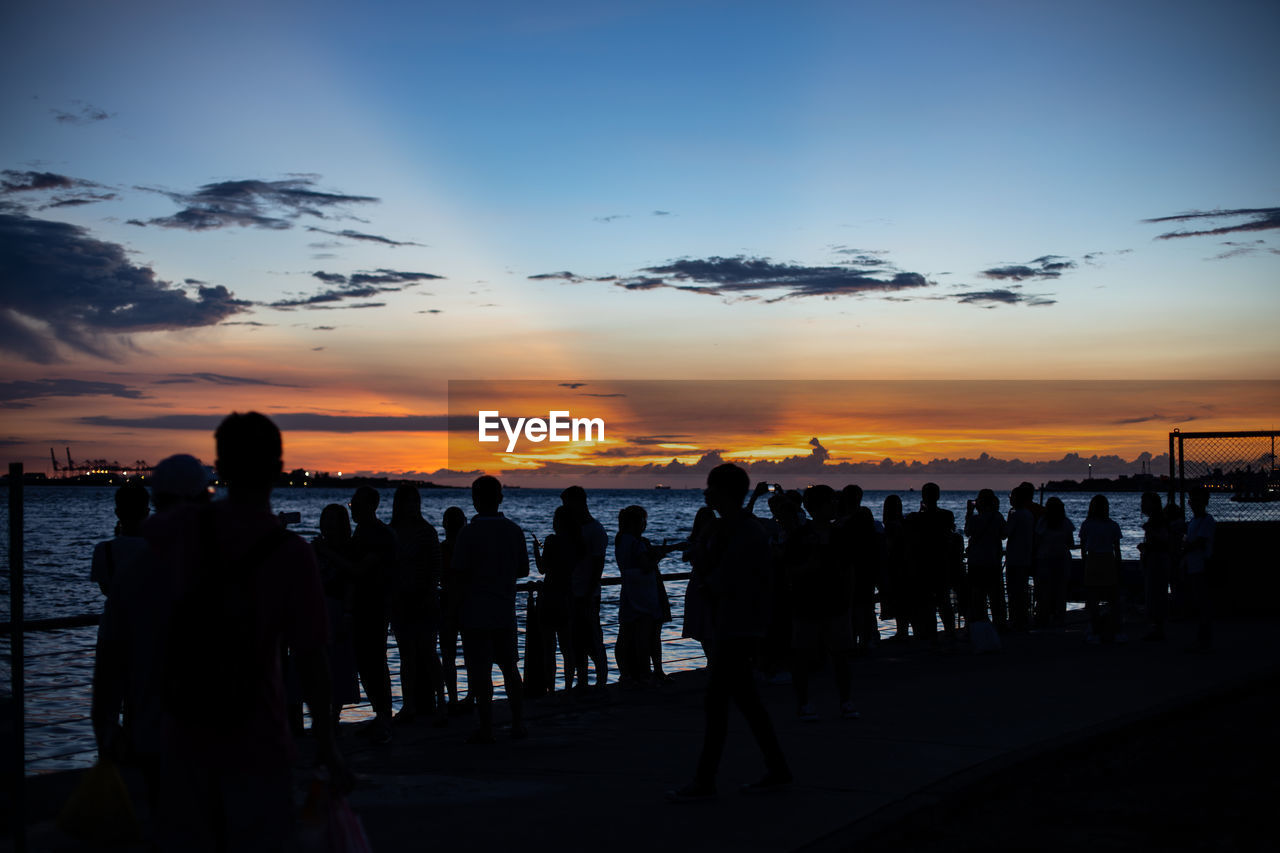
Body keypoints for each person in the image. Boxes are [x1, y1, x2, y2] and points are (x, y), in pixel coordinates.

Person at [142, 413, 343, 850]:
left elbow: (149, 544)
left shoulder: (178, 529)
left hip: (182, 732)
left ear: (221, 467)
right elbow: (311, 657)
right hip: (259, 738)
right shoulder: (292, 554)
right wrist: (327, 742)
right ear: (278, 469)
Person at [91, 455, 209, 814]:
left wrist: (106, 731)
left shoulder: (126, 569)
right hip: (220, 728)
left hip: (153, 724)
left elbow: (109, 663)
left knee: (164, 813)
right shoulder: (225, 566)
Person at [668, 463, 790, 802]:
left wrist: (704, 561)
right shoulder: (733, 529)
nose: (706, 493)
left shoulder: (741, 533)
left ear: (724, 492)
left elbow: (726, 581)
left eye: (711, 487)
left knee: (718, 704)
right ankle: (777, 768)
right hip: (736, 624)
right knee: (747, 704)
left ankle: (705, 780)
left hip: (737, 627)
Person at [454, 475, 529, 743]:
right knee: (510, 669)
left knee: (481, 673)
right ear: (500, 498)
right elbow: (523, 569)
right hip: (504, 609)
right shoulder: (514, 530)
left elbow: (458, 574)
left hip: (475, 612)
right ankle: (518, 723)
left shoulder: (467, 533)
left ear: (475, 500)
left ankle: (486, 727)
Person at [789, 485, 858, 721]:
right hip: (807, 604)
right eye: (831, 502)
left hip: (835, 604)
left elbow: (849, 570)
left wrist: (849, 599)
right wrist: (808, 567)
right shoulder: (799, 536)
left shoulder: (841, 535)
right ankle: (805, 703)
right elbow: (788, 571)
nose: (835, 506)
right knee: (802, 656)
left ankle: (846, 701)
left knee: (840, 656)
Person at [389, 484, 446, 723]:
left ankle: (441, 701)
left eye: (414, 502)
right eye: (406, 502)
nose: (411, 506)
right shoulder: (392, 532)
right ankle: (409, 704)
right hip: (400, 602)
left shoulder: (427, 532)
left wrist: (427, 594)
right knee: (407, 657)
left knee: (428, 654)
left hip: (424, 602)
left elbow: (435, 570)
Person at [348, 485, 397, 743]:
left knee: (375, 663)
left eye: (355, 503)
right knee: (366, 664)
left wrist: (326, 553)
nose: (352, 507)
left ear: (370, 505)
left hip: (375, 607)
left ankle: (384, 719)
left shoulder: (379, 535)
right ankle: (381, 716)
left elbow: (360, 570)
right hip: (363, 606)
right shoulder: (363, 532)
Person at [615, 505, 679, 685]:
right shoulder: (636, 543)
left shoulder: (622, 540)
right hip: (644, 594)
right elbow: (645, 565)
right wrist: (658, 557)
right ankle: (647, 673)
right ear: (637, 522)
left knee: (626, 635)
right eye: (643, 520)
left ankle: (627, 673)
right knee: (646, 636)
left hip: (629, 592)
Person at [311, 504, 361, 723]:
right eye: (326, 520)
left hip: (338, 608)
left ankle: (333, 716)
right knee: (316, 665)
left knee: (338, 663)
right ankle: (321, 715)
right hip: (316, 608)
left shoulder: (348, 548)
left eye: (334, 520)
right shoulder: (316, 547)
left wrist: (348, 612)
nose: (329, 525)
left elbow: (352, 577)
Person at [562, 486, 609, 691]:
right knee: (576, 641)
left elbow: (598, 565)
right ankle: (581, 680)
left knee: (592, 639)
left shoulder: (595, 530)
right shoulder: (574, 530)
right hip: (572, 591)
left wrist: (589, 592)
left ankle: (600, 680)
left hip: (587, 593)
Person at [531, 506, 580, 692]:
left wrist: (536, 550)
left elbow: (542, 568)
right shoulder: (576, 543)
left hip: (549, 596)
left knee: (548, 649)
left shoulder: (552, 540)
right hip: (567, 596)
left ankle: (550, 689)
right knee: (568, 648)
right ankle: (568, 687)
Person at [905, 483, 958, 644]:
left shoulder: (916, 517)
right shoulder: (947, 515)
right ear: (938, 496)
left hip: (924, 564)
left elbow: (911, 534)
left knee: (928, 603)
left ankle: (931, 635)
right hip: (942, 562)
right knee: (944, 602)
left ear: (923, 497)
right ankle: (950, 632)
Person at [90, 482, 150, 596]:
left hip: (117, 613)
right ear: (147, 512)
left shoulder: (103, 550)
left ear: (117, 512)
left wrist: (119, 538)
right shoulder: (162, 548)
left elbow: (106, 591)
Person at [1079, 494, 1124, 644]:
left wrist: (1085, 563)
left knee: (1093, 600)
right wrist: (1118, 565)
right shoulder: (1113, 525)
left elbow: (1083, 546)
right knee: (1113, 599)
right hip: (1108, 560)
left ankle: (1095, 631)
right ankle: (1116, 631)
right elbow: (1117, 549)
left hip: (1092, 560)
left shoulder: (1087, 524)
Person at [439, 505, 469, 711]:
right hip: (468, 603)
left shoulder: (443, 549)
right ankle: (472, 694)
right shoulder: (469, 548)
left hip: (448, 602)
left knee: (448, 655)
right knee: (471, 654)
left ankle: (452, 697)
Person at [964, 489, 1008, 629]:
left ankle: (981, 625)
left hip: (976, 561)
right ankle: (999, 622)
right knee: (996, 595)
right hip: (993, 560)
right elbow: (1004, 535)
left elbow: (967, 532)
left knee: (978, 596)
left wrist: (969, 513)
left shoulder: (974, 519)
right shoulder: (998, 517)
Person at [1183, 487, 1216, 652]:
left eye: (1196, 501)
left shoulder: (1207, 521)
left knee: (1203, 603)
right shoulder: (1194, 521)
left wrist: (1185, 548)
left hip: (1201, 566)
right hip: (1193, 565)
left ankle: (1204, 639)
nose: (1193, 504)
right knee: (1199, 602)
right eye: (1192, 501)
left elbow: (1200, 542)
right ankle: (1202, 638)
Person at [1033, 497, 1075, 627]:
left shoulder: (1042, 523)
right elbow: (1070, 543)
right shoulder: (1066, 523)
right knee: (1060, 591)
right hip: (1062, 558)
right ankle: (1059, 618)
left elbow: (1037, 541)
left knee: (1044, 591)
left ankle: (1043, 617)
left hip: (1044, 558)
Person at [1139, 490, 1172, 641]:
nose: (1142, 506)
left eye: (1144, 502)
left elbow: (1163, 540)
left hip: (1157, 560)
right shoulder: (1157, 520)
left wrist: (1147, 546)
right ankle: (1157, 626)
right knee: (1156, 593)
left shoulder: (1157, 522)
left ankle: (1157, 627)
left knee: (1155, 593)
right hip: (1156, 559)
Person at [1005, 483, 1036, 631]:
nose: (1010, 499)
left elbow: (1006, 533)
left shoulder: (1016, 514)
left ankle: (1016, 620)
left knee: (1014, 591)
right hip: (1025, 556)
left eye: (1011, 497)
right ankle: (1022, 619)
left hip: (1015, 557)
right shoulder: (1028, 514)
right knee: (1022, 590)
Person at [880, 495, 911, 642]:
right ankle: (903, 630)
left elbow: (889, 546)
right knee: (903, 598)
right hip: (905, 564)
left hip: (895, 564)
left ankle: (902, 631)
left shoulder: (891, 525)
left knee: (898, 598)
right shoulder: (904, 523)